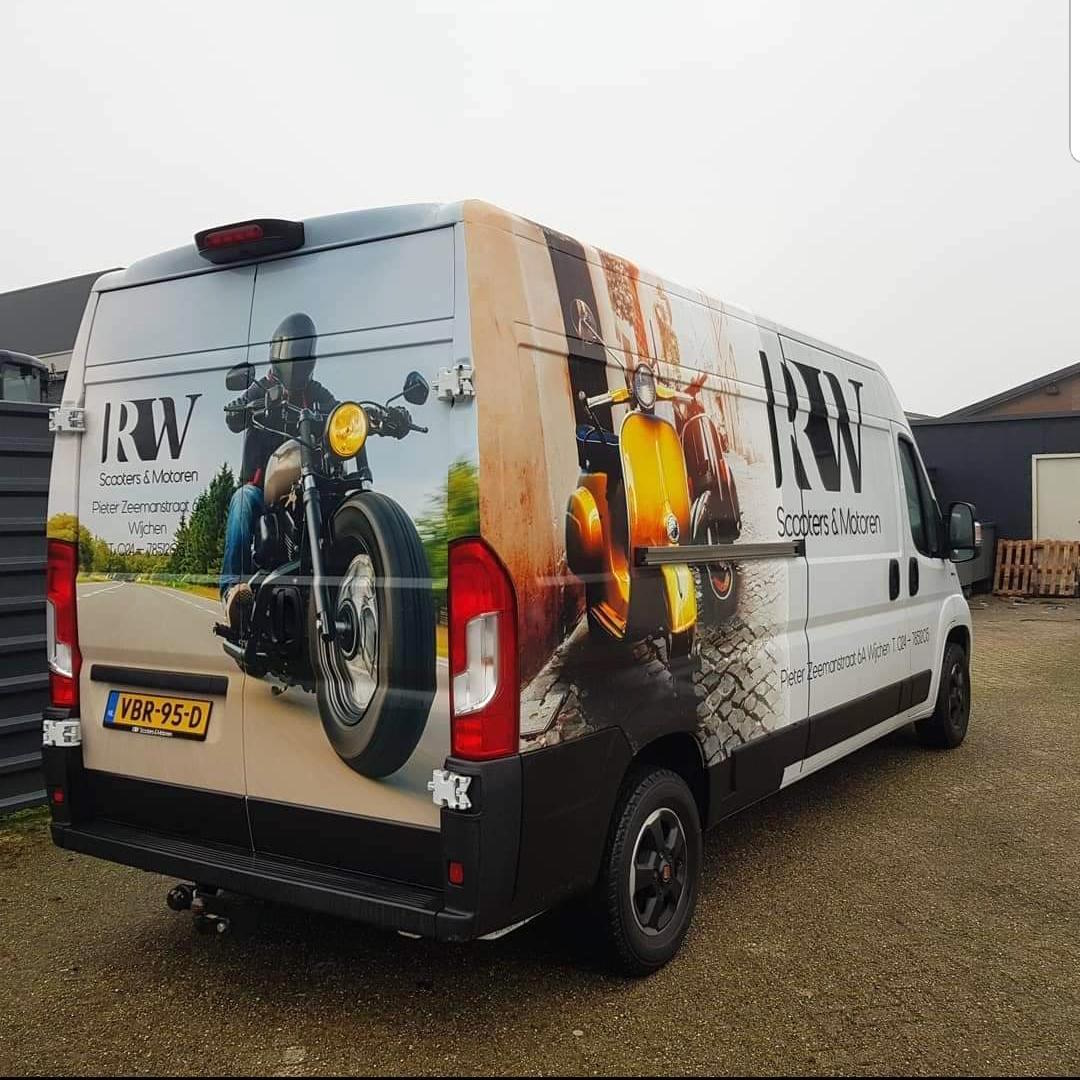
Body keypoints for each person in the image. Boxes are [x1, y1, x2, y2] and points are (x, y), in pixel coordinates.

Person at [219, 311, 371, 626]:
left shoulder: (315, 392)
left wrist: (367, 417)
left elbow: (338, 410)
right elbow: (233, 417)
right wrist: (241, 408)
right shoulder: (262, 387)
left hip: (309, 487)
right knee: (242, 500)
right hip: (265, 489)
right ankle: (232, 590)